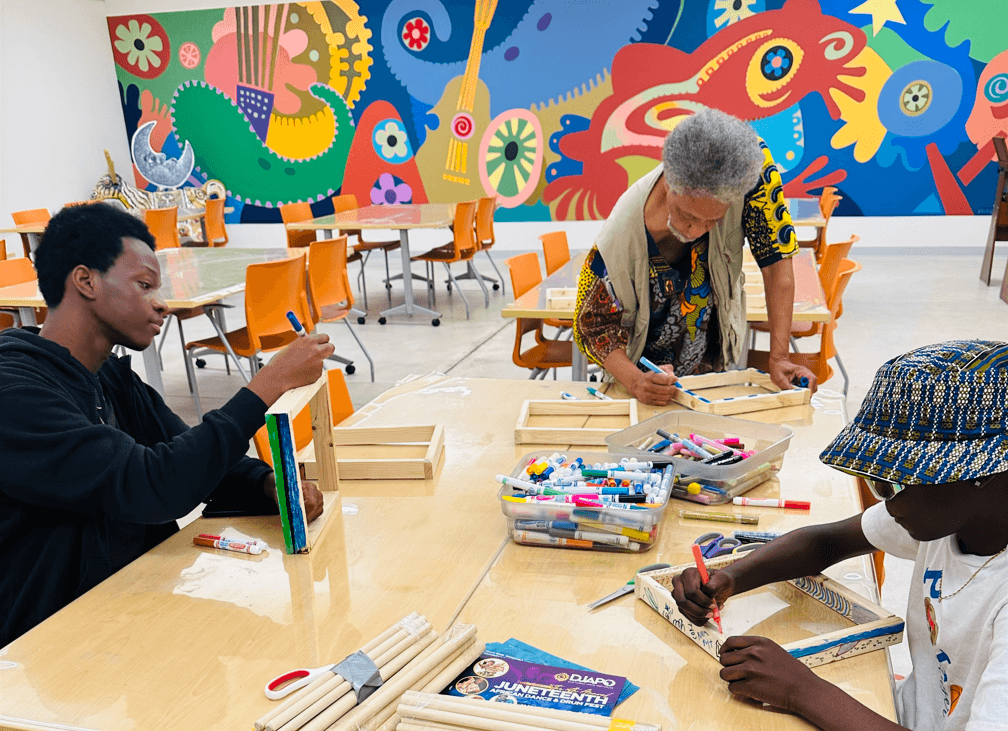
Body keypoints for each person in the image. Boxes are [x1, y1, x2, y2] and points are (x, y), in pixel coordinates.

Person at [0, 203, 335, 647]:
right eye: (144, 286)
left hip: (133, 606)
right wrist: (269, 383)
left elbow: (194, 456)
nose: (160, 303)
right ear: (85, 281)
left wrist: (267, 483)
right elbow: (152, 486)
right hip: (50, 641)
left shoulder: (111, 377)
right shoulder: (15, 392)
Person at [671, 340, 1008, 730]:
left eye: (893, 486)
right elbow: (825, 542)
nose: (888, 504)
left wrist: (801, 690)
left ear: (980, 475)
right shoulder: (953, 518)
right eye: (875, 484)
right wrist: (731, 577)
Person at [573, 108, 817, 406]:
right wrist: (636, 382)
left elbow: (777, 264)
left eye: (713, 221)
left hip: (710, 365)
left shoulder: (750, 169)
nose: (698, 230)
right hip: (642, 377)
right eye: (689, 216)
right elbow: (591, 325)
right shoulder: (622, 234)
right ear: (669, 184)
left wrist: (779, 357)